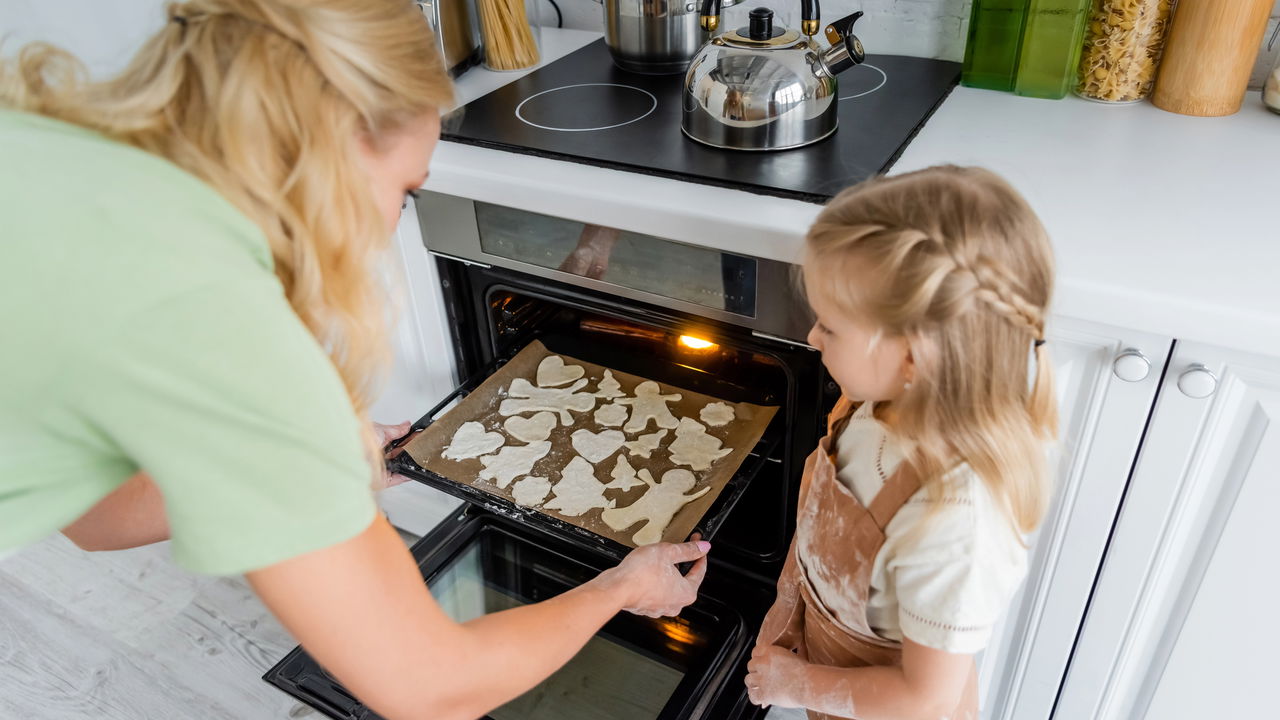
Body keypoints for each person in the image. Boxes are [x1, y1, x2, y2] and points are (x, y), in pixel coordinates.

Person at [0, 2, 709, 719]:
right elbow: (431, 686)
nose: (390, 224)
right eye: (406, 192)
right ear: (329, 141)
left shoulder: (73, 152)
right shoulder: (224, 325)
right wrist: (619, 587)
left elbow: (88, 512)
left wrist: (315, 455)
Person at [743, 166, 1058, 719]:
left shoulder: (955, 519)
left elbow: (924, 700)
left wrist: (796, 684)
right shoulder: (874, 400)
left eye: (831, 327)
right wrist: (788, 615)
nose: (813, 337)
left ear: (914, 355)